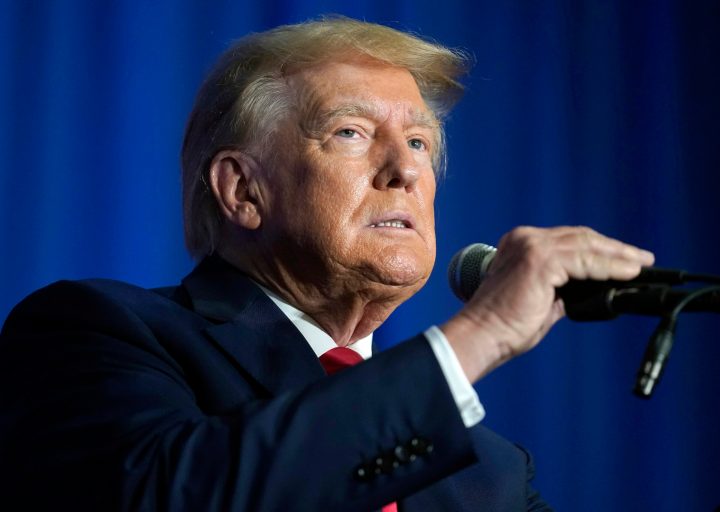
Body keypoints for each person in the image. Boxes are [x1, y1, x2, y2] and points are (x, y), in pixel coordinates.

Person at [0, 17, 658, 511]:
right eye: (352, 133)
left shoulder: (486, 469)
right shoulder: (97, 333)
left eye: (421, 142)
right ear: (243, 190)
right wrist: (479, 336)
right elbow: (178, 495)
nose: (405, 170)